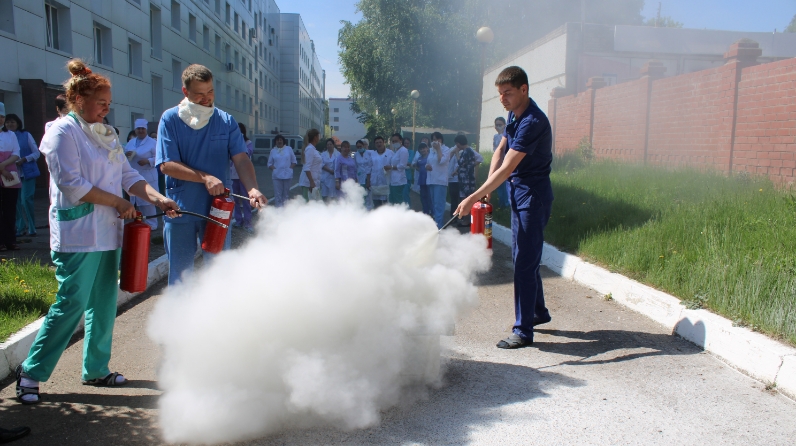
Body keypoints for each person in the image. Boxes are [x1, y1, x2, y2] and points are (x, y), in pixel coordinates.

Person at [15, 59, 180, 405]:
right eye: (101, 102)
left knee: (104, 303)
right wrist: (118, 203)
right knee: (71, 303)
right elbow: (72, 184)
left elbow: (128, 175)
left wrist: (158, 197)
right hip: (78, 234)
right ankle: (31, 372)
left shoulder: (106, 133)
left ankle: (95, 369)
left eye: (108, 103)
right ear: (78, 100)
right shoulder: (61, 133)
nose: (107, 109)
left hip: (107, 232)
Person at [456, 66, 554, 349]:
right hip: (518, 195)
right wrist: (487, 190)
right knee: (524, 257)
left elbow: (509, 166)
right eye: (500, 94)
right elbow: (501, 150)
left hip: (532, 198)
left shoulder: (533, 121)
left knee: (523, 262)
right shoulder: (514, 114)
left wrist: (473, 197)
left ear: (524, 89)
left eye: (507, 93)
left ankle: (523, 331)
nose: (502, 99)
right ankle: (538, 312)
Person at [157, 64, 266, 286]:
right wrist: (204, 177)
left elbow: (241, 160)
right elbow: (167, 165)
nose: (207, 98)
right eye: (199, 94)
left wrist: (253, 189)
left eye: (210, 91)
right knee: (180, 274)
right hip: (181, 208)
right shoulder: (170, 119)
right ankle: (180, 309)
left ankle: (216, 309)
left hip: (218, 209)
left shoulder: (225, 121)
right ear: (185, 91)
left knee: (218, 271)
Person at [4, 114, 40, 237]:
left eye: (12, 122)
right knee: (16, 202)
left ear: (18, 123)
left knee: (26, 200)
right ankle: (20, 227)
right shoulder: (5, 136)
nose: (10, 124)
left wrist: (25, 159)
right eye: (7, 122)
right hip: (12, 173)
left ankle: (32, 227)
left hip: (27, 172)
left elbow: (36, 152)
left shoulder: (26, 135)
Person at [124, 119, 159, 230]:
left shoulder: (153, 143)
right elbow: (124, 154)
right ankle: (141, 223)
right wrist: (127, 154)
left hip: (148, 175)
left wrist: (148, 161)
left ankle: (152, 224)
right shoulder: (131, 142)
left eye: (142, 129)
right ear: (135, 130)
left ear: (146, 129)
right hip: (134, 175)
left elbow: (159, 158)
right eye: (138, 129)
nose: (140, 131)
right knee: (137, 201)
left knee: (148, 202)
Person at [0, 103, 21, 251]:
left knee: (10, 209)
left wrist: (3, 166)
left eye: (2, 116)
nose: (0, 119)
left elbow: (16, 153)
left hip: (10, 176)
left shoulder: (11, 134)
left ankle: (10, 240)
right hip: (5, 172)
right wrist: (2, 170)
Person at [453, 134, 483, 226]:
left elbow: (460, 162)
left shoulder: (467, 151)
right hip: (465, 179)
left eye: (457, 144)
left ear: (459, 143)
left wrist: (457, 153)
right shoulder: (468, 151)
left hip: (467, 181)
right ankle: (466, 219)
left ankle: (467, 220)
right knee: (464, 198)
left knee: (467, 199)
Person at [230, 122, 254, 232]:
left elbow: (247, 153)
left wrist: (240, 142)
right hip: (233, 175)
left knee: (246, 199)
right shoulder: (231, 142)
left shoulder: (248, 143)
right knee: (235, 199)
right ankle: (238, 220)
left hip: (244, 176)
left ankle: (248, 223)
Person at [426, 131, 451, 228]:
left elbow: (441, 161)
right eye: (433, 140)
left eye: (437, 139)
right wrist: (426, 166)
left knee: (439, 205)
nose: (435, 141)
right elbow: (429, 162)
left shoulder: (446, 149)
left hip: (440, 181)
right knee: (433, 204)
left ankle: (439, 227)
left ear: (441, 140)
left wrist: (438, 149)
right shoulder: (431, 150)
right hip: (431, 180)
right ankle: (435, 224)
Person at [268, 134, 296, 207]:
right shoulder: (273, 151)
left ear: (283, 141)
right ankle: (278, 211)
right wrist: (274, 169)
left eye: (281, 140)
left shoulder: (289, 149)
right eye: (277, 140)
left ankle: (285, 210)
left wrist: (290, 168)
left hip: (287, 175)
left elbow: (294, 161)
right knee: (278, 194)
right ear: (275, 142)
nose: (279, 141)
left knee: (285, 194)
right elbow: (269, 163)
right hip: (277, 176)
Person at [298, 129, 322, 201]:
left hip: (314, 182)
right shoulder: (310, 149)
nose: (319, 138)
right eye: (318, 136)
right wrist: (311, 182)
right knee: (309, 205)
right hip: (309, 184)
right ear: (315, 137)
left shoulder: (313, 149)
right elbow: (307, 168)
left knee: (316, 204)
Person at [368, 136, 392, 208]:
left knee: (386, 203)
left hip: (386, 180)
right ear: (375, 144)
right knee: (376, 203)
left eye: (380, 142)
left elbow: (393, 165)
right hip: (375, 181)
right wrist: (368, 181)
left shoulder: (390, 153)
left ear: (384, 142)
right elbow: (368, 169)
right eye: (377, 143)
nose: (379, 144)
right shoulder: (372, 154)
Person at [387, 133, 408, 205]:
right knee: (392, 201)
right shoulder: (396, 151)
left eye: (396, 141)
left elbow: (402, 165)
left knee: (398, 202)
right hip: (393, 180)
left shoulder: (403, 150)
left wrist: (391, 167)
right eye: (393, 141)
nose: (394, 143)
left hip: (399, 181)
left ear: (401, 140)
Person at [493, 116, 509, 208]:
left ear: (504, 125)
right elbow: (495, 149)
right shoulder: (495, 136)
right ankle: (501, 203)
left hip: (505, 162)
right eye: (497, 125)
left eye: (500, 125)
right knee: (498, 183)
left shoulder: (506, 136)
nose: (498, 126)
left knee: (505, 184)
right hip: (498, 162)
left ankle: (506, 204)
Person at [413, 142, 431, 215]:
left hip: (429, 180)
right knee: (423, 196)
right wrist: (419, 169)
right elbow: (416, 166)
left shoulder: (430, 157)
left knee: (430, 196)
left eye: (424, 148)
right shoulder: (419, 158)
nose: (422, 150)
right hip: (422, 180)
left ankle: (432, 211)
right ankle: (425, 211)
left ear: (427, 148)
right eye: (421, 149)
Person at [354, 139, 373, 210]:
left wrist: (368, 178)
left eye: (360, 146)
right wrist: (356, 178)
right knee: (362, 194)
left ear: (363, 146)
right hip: (360, 177)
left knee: (369, 195)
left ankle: (370, 210)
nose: (359, 148)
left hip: (369, 176)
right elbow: (355, 166)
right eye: (358, 147)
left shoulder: (369, 153)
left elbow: (371, 165)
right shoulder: (356, 154)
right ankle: (362, 210)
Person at [320, 138, 339, 203]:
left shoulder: (338, 154)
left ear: (333, 145)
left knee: (333, 197)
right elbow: (321, 164)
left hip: (334, 178)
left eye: (330, 144)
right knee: (324, 196)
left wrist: (334, 171)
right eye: (328, 144)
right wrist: (330, 171)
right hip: (325, 176)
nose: (329, 146)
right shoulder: (323, 154)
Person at [402, 137, 414, 203]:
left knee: (405, 194)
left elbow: (409, 162)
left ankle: (408, 208)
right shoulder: (397, 151)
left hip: (407, 177)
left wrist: (400, 164)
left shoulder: (411, 152)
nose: (406, 145)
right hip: (398, 177)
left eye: (408, 143)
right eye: (405, 143)